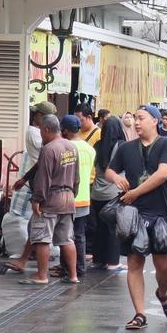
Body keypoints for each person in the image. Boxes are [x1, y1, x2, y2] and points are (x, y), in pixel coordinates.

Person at [105, 105, 167, 329]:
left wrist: (134, 193)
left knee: (164, 266)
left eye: (142, 118)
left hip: (159, 212)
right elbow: (109, 170)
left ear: (155, 121)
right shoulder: (125, 148)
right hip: (133, 214)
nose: (137, 122)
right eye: (135, 119)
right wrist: (115, 179)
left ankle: (163, 292)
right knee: (134, 262)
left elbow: (163, 174)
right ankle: (139, 313)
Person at [10, 114, 79, 285]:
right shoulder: (71, 147)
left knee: (41, 238)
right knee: (67, 239)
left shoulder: (49, 149)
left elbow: (43, 178)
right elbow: (76, 177)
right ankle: (73, 276)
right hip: (68, 198)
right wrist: (72, 193)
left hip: (51, 199)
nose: (40, 133)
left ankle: (41, 275)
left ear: (47, 129)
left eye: (41, 130)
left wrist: (36, 200)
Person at [87, 113, 126, 272]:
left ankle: (98, 260)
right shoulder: (121, 146)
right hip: (113, 193)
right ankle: (112, 262)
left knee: (99, 228)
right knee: (113, 229)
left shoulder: (97, 144)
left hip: (96, 193)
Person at [62, 115, 96, 279]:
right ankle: (80, 268)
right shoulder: (90, 149)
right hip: (84, 197)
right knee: (79, 235)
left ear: (65, 130)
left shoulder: (65, 147)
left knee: (65, 235)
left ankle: (67, 268)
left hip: (67, 197)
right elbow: (91, 175)